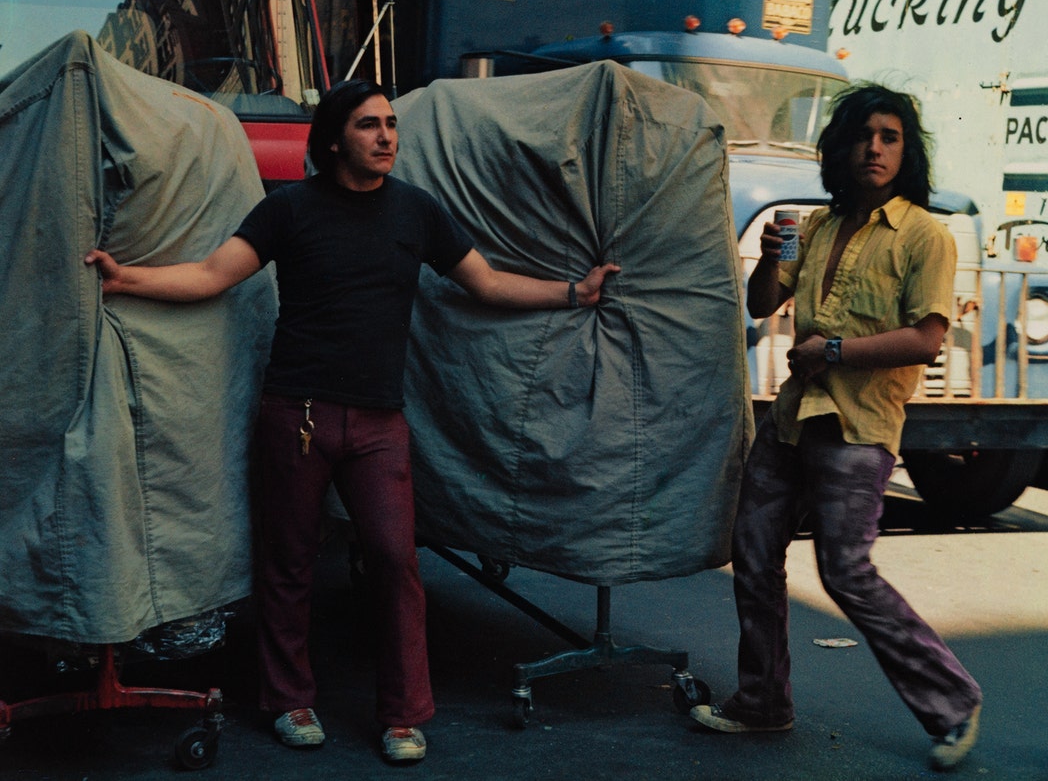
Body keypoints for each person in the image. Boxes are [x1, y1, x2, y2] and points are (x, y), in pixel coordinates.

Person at [84, 79, 620, 764]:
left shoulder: (417, 211)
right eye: (370, 125)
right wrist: (126, 278)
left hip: (378, 423)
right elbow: (213, 275)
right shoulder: (290, 209)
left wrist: (574, 293)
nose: (387, 136)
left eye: (391, 124)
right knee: (288, 564)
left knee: (395, 561)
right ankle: (289, 700)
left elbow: (485, 282)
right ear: (335, 139)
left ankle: (403, 715)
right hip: (297, 415)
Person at [689, 83, 982, 771]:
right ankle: (763, 701)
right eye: (862, 136)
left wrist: (837, 351)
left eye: (889, 138)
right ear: (840, 148)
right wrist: (770, 257)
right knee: (753, 553)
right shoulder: (818, 226)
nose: (874, 149)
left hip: (858, 426)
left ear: (906, 153)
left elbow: (927, 339)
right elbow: (763, 303)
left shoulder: (924, 235)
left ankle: (953, 701)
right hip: (794, 418)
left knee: (846, 572)